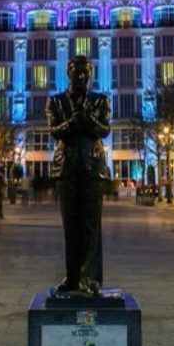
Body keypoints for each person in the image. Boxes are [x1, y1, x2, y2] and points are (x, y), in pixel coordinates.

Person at [46, 56, 111, 295]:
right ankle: (73, 277)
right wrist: (74, 122)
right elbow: (54, 131)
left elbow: (105, 130)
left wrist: (88, 120)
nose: (82, 77)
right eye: (78, 73)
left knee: (91, 226)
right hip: (67, 170)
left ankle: (91, 278)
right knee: (71, 226)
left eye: (86, 73)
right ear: (69, 74)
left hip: (93, 169)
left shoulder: (100, 101)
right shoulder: (56, 101)